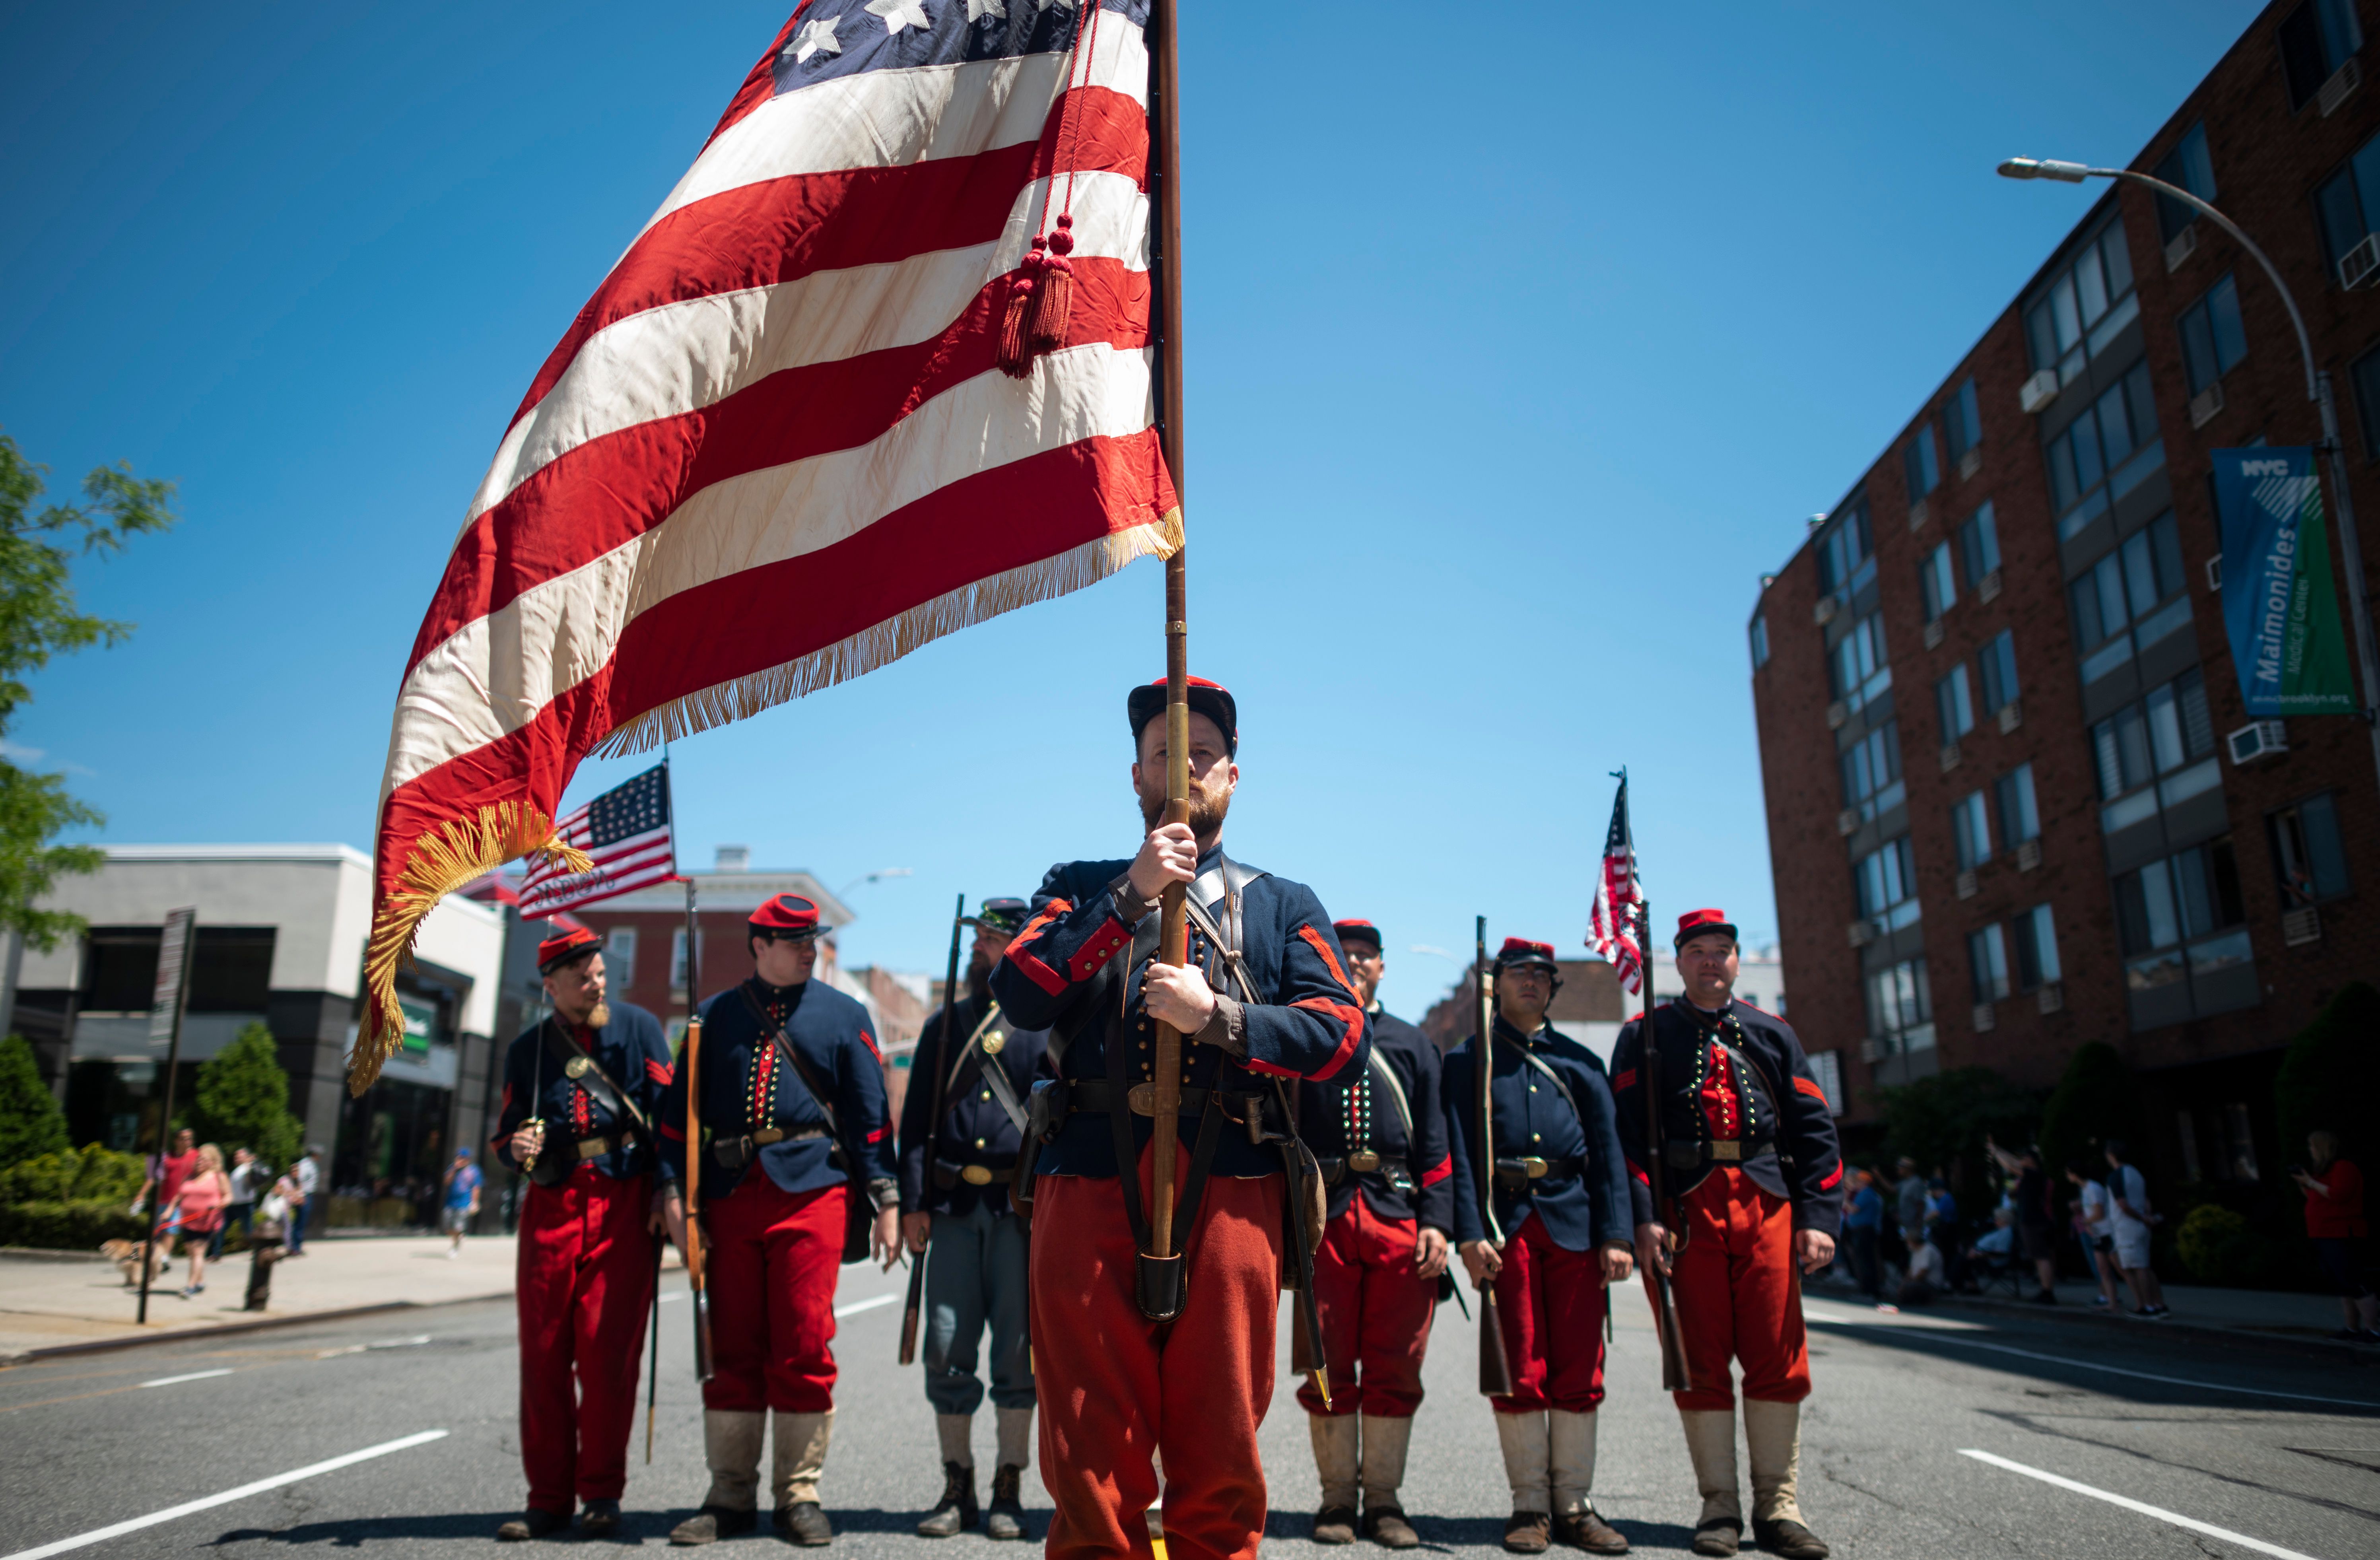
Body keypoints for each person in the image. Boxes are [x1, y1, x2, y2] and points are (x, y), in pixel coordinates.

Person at [989, 675, 1369, 1560]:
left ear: (1232, 775)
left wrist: (1221, 1019)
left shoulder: (1282, 901)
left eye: (1200, 755)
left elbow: (1339, 1033)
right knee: (1089, 1450)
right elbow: (1020, 992)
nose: (1183, 768)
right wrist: (1127, 896)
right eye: (1165, 753)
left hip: (1231, 1189)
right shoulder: (1078, 884)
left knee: (1221, 1440)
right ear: (1135, 776)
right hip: (1086, 1185)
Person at [659, 894, 901, 1548]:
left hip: (814, 1190)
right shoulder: (711, 1018)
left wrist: (887, 1200)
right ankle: (729, 1492)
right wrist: (676, 1198)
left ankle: (799, 1492)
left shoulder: (845, 1014)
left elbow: (870, 1116)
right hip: (732, 1193)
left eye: (813, 939)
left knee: (802, 1338)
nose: (809, 948)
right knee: (732, 1344)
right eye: (794, 940)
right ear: (758, 943)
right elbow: (674, 1122)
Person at [1614, 909, 1842, 1560]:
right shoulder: (1644, 1035)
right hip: (1685, 1210)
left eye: (1723, 950)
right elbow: (1627, 1136)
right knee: (1700, 1359)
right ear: (1678, 962)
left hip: (1766, 1200)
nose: (1711, 961)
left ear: (1738, 961)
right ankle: (1719, 1507)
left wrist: (1820, 1218)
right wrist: (1643, 1215)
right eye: (1698, 951)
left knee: (1776, 1352)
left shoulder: (1773, 1033)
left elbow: (1814, 1128)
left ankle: (1779, 1507)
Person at [1444, 938, 1632, 1556]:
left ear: (1554, 987)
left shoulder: (1581, 1063)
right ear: (1497, 985)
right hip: (1505, 1226)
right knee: (1519, 1367)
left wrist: (1617, 1233)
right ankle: (1529, 1502)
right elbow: (1461, 1159)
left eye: (1540, 975)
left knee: (1580, 1366)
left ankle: (1575, 1504)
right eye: (1517, 972)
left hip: (1575, 1224)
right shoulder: (1468, 1062)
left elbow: (1609, 1158)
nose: (1530, 982)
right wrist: (1469, 1233)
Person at [490, 926, 676, 1542]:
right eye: (582, 977)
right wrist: (515, 1146)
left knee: (606, 1355)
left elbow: (672, 1119)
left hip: (622, 1199)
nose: (596, 983)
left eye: (599, 971)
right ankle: (547, 1498)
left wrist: (664, 1190)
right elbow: (506, 1131)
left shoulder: (640, 1027)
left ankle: (600, 1493)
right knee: (543, 1356)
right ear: (551, 986)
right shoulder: (527, 1048)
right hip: (551, 1203)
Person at [1295, 920, 1452, 1550]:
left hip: (1397, 1217)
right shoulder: (1307, 1037)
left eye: (1366, 956)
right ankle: (1336, 1497)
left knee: (1395, 1366)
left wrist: (1439, 1221)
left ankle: (1384, 1500)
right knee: (1327, 1364)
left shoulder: (1413, 1043)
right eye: (1345, 954)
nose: (1355, 963)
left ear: (1382, 968)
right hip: (1324, 1217)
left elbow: (1438, 1145)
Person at [898, 897, 1050, 1542]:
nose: (982, 948)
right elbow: (916, 1127)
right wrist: (912, 1203)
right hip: (955, 1207)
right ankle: (955, 1480)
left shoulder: (1044, 1024)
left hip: (1020, 1213)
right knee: (948, 1347)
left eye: (993, 938)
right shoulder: (945, 1025)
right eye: (980, 938)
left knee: (1019, 1354)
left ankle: (1008, 1482)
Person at [2293, 1131, 2376, 1341]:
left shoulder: (2343, 1167)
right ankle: (2352, 1328)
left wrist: (2311, 1182)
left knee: (2355, 1281)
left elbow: (2339, 1195)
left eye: (2312, 1147)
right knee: (2342, 1283)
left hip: (2341, 1232)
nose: (2310, 1152)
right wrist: (2305, 1183)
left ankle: (2374, 1330)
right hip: (2323, 1233)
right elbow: (2315, 1197)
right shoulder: (2324, 1171)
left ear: (2322, 1148)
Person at [1984, 1136, 2057, 1302]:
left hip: (2034, 1221)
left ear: (2030, 1160)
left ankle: (2047, 1292)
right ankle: (2047, 1290)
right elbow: (2013, 1161)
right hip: (2042, 1220)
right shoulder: (2038, 1175)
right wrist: (1998, 1148)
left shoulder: (2031, 1174)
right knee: (2044, 1257)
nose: (2021, 1161)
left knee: (2041, 1257)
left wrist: (1996, 1152)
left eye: (2024, 1158)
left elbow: (2010, 1165)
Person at [2104, 1141, 2166, 1317]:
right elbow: (2145, 1200)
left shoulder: (2116, 1176)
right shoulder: (2136, 1174)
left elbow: (2122, 1204)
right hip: (2141, 1227)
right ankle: (2158, 1303)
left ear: (2111, 1156)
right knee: (2145, 1266)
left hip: (2127, 1227)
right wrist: (2147, 1217)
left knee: (2136, 1268)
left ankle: (2146, 1306)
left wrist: (2142, 1217)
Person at [171, 1144, 231, 1298]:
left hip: (207, 1222)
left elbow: (229, 1196)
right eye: (199, 1159)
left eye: (204, 1160)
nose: (199, 1162)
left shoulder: (219, 1177)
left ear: (213, 1162)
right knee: (192, 1253)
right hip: (187, 1221)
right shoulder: (190, 1176)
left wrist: (220, 1204)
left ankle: (190, 1287)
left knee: (198, 1252)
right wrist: (169, 1211)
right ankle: (200, 1282)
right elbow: (179, 1197)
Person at [2065, 1160, 2120, 1308]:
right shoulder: (2085, 1190)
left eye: (2068, 1173)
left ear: (2075, 1174)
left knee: (2122, 1270)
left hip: (2107, 1233)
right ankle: (2112, 1303)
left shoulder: (2093, 1188)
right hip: (2097, 1234)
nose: (2067, 1176)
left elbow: (2099, 1213)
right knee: (2103, 1269)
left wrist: (2085, 1221)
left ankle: (2142, 1301)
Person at [1841, 1170, 1883, 1302]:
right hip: (1863, 1231)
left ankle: (1868, 1291)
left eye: (1859, 1181)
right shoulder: (1866, 1193)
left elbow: (1854, 1209)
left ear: (1865, 1182)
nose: (1857, 1183)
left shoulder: (1867, 1193)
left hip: (1864, 1231)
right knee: (1864, 1260)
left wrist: (1844, 1200)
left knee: (1865, 1261)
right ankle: (1867, 1290)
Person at [215, 1147, 258, 1261]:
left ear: (246, 1157)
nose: (237, 1158)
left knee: (248, 1230)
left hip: (245, 1204)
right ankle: (216, 1253)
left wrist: (252, 1163)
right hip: (233, 1205)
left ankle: (258, 1251)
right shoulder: (237, 1170)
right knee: (221, 1228)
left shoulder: (249, 1168)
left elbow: (256, 1177)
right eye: (236, 1156)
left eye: (239, 1156)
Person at [443, 1147, 484, 1257]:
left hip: (464, 1203)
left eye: (463, 1158)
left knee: (458, 1227)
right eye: (459, 1158)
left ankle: (455, 1247)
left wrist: (475, 1202)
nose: (461, 1160)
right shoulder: (452, 1169)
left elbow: (476, 1188)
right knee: (447, 1227)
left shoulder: (474, 1171)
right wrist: (454, 1170)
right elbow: (447, 1182)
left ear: (468, 1160)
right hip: (450, 1202)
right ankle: (459, 1236)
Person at [285, 1146, 321, 1256]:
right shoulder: (306, 1165)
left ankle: (296, 1247)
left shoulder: (310, 1165)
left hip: (306, 1195)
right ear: (314, 1154)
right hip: (304, 1195)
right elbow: (299, 1180)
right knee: (300, 1222)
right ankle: (295, 1248)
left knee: (301, 1222)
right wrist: (301, 1196)